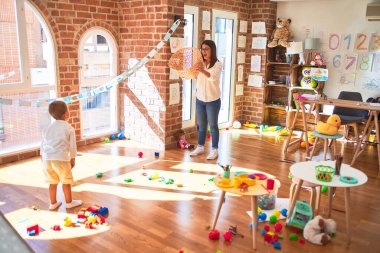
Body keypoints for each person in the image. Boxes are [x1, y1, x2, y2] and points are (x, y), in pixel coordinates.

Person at [41, 101, 82, 210]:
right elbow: (73, 146)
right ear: (65, 114)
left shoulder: (47, 128)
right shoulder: (68, 128)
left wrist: (43, 159)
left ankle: (53, 203)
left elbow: (43, 145)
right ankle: (69, 203)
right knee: (66, 182)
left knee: (52, 183)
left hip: (47, 160)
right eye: (68, 110)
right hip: (61, 160)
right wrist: (72, 158)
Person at [190, 40, 223, 160]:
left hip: (213, 100)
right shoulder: (199, 63)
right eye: (202, 49)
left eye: (206, 49)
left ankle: (214, 150)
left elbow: (212, 77)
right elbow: (194, 76)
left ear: (212, 50)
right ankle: (200, 147)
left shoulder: (218, 64)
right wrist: (192, 71)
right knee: (201, 125)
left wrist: (201, 70)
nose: (203, 51)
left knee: (213, 125)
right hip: (200, 99)